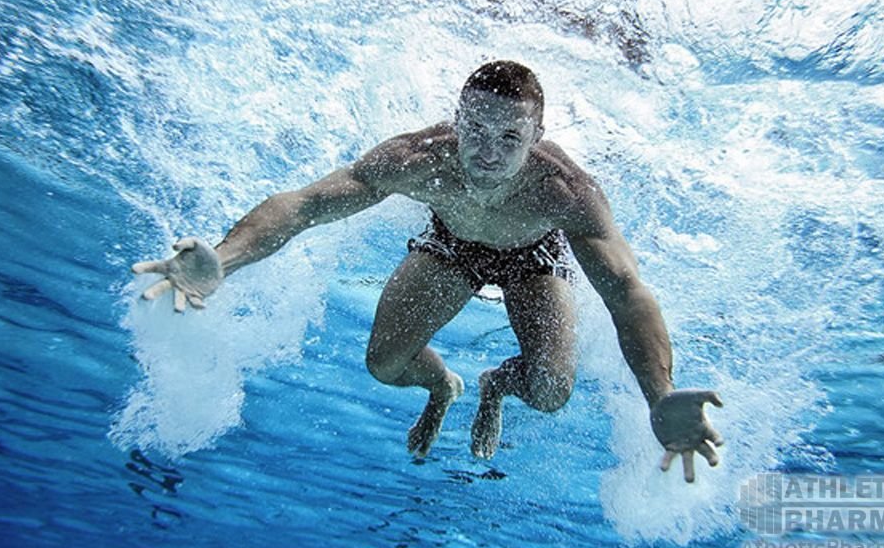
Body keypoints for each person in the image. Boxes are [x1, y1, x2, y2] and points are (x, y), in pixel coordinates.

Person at [132, 60, 724, 482]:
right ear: (457, 119)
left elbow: (626, 291)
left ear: (537, 136)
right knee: (385, 364)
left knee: (550, 392)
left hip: (533, 257)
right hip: (451, 242)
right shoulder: (418, 158)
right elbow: (307, 205)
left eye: (510, 137)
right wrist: (225, 259)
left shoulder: (567, 193)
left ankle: (496, 385)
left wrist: (659, 393)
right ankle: (443, 386)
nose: (488, 152)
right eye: (476, 130)